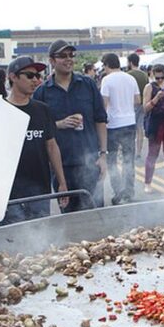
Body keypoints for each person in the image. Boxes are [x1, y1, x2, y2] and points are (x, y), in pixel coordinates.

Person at [33, 42, 108, 211]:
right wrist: (59, 124)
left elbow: (100, 120)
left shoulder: (87, 85)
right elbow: (39, 131)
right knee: (69, 218)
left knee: (96, 214)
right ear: (52, 61)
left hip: (90, 164)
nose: (68, 60)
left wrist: (103, 155)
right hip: (61, 168)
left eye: (71, 56)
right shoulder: (42, 92)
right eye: (62, 56)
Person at [2, 57, 69, 224]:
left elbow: (52, 146)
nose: (36, 80)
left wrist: (62, 182)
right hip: (9, 191)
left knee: (40, 235)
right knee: (14, 238)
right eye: (30, 75)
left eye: (38, 76)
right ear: (13, 77)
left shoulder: (42, 110)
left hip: (40, 188)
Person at [100, 53, 140, 205]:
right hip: (130, 121)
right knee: (128, 159)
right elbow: (137, 100)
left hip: (113, 124)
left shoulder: (107, 80)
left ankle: (118, 192)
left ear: (107, 64)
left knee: (112, 160)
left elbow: (103, 104)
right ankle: (129, 191)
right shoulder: (131, 78)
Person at [141, 64, 164, 192]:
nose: (160, 80)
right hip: (156, 124)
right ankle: (148, 183)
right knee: (153, 154)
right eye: (157, 78)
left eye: (162, 77)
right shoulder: (149, 87)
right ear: (152, 75)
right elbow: (145, 108)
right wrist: (156, 98)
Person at [126, 53, 149, 158]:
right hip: (142, 104)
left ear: (130, 62)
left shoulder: (128, 74)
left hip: (131, 104)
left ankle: (130, 151)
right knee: (140, 128)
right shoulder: (144, 75)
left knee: (130, 129)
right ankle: (139, 152)